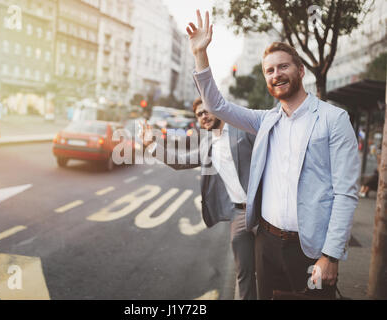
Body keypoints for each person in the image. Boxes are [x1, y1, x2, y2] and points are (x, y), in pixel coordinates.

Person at [186, 10, 360, 299]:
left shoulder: (334, 119)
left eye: (283, 67)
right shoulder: (264, 120)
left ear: (300, 70)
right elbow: (216, 105)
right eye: (269, 70)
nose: (276, 74)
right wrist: (200, 54)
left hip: (311, 251)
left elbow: (346, 193)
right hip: (266, 244)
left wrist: (330, 255)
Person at [140, 97, 257, 300]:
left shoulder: (242, 130)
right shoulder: (207, 143)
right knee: (243, 273)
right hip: (238, 214)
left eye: (206, 111)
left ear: (218, 109)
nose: (203, 116)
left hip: (264, 210)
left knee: (268, 269)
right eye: (199, 114)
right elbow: (180, 161)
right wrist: (151, 145)